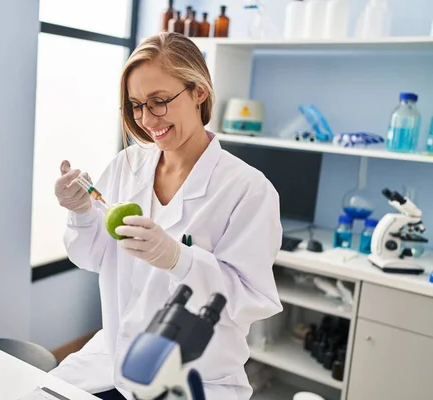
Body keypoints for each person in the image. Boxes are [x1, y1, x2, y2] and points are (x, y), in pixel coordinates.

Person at [50, 32, 283, 400]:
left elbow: (251, 299)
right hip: (114, 357)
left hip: (195, 376)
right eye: (136, 105)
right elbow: (92, 258)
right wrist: (81, 213)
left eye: (159, 102)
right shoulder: (127, 165)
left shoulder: (248, 190)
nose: (146, 119)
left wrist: (181, 260)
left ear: (199, 92)